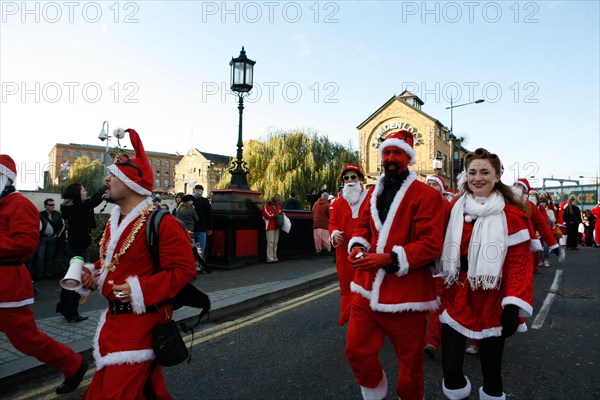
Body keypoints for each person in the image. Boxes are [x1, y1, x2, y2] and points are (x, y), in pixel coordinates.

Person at [80, 128, 196, 399]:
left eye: (113, 176)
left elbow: (183, 270)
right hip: (114, 326)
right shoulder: (114, 221)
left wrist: (138, 290)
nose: (106, 180)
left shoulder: (162, 222)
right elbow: (115, 260)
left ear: (130, 184)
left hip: (141, 329)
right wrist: (94, 271)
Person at [345, 130, 445, 400]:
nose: (390, 158)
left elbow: (431, 244)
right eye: (386, 153)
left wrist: (390, 259)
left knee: (410, 364)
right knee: (356, 351)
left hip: (407, 295)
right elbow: (363, 226)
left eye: (397, 153)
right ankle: (375, 392)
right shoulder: (373, 192)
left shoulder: (426, 195)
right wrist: (356, 246)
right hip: (366, 289)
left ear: (408, 158)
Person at [439, 148, 534, 400]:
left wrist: (513, 305)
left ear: (496, 176)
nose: (477, 178)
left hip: (492, 300)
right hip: (457, 295)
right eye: (472, 172)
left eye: (484, 172)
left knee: (491, 373)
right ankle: (457, 392)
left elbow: (519, 263)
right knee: (450, 370)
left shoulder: (511, 216)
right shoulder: (454, 208)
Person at [0, 154, 88, 395]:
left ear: (6, 178)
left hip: (8, 286)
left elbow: (25, 244)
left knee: (26, 339)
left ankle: (74, 364)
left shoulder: (20, 204)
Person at [56, 182, 107, 323]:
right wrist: (105, 186)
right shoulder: (78, 208)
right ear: (77, 194)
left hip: (73, 248)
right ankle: (72, 313)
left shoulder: (71, 207)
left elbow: (91, 202)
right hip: (78, 250)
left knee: (69, 280)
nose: (85, 192)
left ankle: (64, 308)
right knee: (77, 282)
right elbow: (95, 201)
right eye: (83, 190)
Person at [329, 163, 368, 326]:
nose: (350, 181)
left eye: (353, 177)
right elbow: (332, 223)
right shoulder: (337, 203)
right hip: (344, 254)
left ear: (360, 179)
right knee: (346, 288)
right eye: (346, 178)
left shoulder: (370, 198)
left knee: (366, 287)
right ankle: (351, 321)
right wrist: (334, 234)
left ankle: (365, 321)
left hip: (366, 252)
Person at [423, 175, 451, 359]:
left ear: (442, 189)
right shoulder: (419, 205)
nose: (432, 186)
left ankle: (433, 341)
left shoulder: (448, 207)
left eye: (435, 184)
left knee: (436, 302)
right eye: (429, 184)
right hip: (421, 261)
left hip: (442, 260)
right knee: (425, 303)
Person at [32, 198, 64, 280]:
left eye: (53, 204)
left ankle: (49, 274)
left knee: (50, 257)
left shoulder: (57, 214)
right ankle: (39, 275)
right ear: (46, 206)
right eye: (50, 205)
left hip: (53, 238)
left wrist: (57, 235)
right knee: (40, 256)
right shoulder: (40, 214)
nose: (53, 206)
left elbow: (62, 225)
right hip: (43, 238)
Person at [192, 184, 212, 257]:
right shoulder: (205, 201)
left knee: (192, 248)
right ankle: (200, 265)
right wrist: (210, 227)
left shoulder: (190, 201)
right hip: (202, 228)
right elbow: (209, 215)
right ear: (202, 191)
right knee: (200, 248)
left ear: (194, 190)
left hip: (191, 228)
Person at [262, 194, 283, 263]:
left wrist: (276, 214)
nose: (278, 203)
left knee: (275, 243)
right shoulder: (266, 205)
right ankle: (270, 258)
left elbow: (280, 211)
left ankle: (275, 257)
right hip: (270, 226)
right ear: (275, 200)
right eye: (278, 201)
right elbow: (266, 215)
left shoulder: (278, 205)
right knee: (270, 243)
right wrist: (275, 214)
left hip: (276, 226)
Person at [312, 192, 331, 256]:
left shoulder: (315, 204)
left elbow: (312, 212)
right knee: (325, 239)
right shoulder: (328, 205)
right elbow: (330, 215)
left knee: (317, 239)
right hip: (324, 224)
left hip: (316, 224)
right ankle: (328, 250)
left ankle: (318, 251)